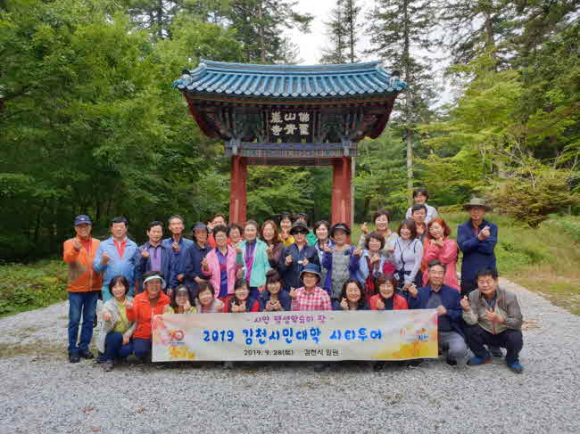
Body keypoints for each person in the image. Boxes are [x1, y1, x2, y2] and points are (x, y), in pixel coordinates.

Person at [461, 268, 524, 374]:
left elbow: (518, 322)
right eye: (481, 282)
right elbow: (472, 321)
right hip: (486, 331)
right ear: (477, 283)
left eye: (488, 281)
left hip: (504, 332)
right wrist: (467, 310)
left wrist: (500, 319)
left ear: (496, 281)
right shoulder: (473, 295)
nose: (485, 285)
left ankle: (512, 359)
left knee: (516, 336)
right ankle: (482, 356)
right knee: (467, 327)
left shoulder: (509, 296)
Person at [408, 260, 469, 367]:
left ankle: (449, 356)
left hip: (448, 332)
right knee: (407, 342)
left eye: (440, 273)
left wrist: (447, 312)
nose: (436, 275)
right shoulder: (420, 292)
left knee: (459, 350)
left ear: (444, 275)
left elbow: (460, 315)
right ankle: (424, 353)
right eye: (433, 272)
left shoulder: (453, 292)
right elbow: (412, 314)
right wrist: (413, 297)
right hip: (425, 333)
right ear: (428, 274)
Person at [63, 214, 103, 363]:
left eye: (86, 225)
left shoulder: (98, 243)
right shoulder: (69, 242)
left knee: (89, 319)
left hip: (93, 288)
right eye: (80, 226)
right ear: (76, 228)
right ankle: (72, 350)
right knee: (74, 320)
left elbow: (102, 262)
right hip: (76, 289)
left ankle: (84, 347)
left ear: (90, 227)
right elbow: (68, 259)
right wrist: (75, 249)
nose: (83, 228)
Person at [290, 264, 332, 372]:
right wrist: (294, 299)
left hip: (318, 331)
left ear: (317, 279)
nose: (308, 279)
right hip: (301, 330)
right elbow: (293, 315)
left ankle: (321, 359)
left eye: (312, 276)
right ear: (302, 278)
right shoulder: (297, 292)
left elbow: (329, 317)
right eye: (306, 276)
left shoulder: (323, 294)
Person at [125, 271, 171, 362]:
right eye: (151, 283)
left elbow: (169, 320)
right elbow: (131, 318)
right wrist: (129, 309)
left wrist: (167, 314)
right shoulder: (138, 298)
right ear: (145, 285)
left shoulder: (166, 299)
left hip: (159, 333)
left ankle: (152, 354)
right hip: (142, 333)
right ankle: (146, 353)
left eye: (157, 282)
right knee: (140, 351)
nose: (154, 285)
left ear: (161, 284)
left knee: (161, 352)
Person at [457, 198, 498, 297]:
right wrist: (480, 238)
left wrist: (471, 243)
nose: (475, 211)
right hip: (469, 272)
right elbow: (463, 247)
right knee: (467, 301)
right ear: (469, 211)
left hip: (487, 270)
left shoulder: (492, 227)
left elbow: (488, 248)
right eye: (472, 209)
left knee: (488, 301)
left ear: (484, 211)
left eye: (479, 209)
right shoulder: (462, 227)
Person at [94, 216, 139, 302]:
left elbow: (137, 268)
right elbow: (96, 269)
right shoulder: (103, 245)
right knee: (109, 310)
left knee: (128, 310)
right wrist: (103, 261)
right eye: (115, 227)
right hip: (109, 287)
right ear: (111, 229)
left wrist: (136, 286)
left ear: (126, 228)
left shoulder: (133, 246)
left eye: (121, 227)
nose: (118, 229)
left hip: (128, 287)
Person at [97, 275, 135, 372]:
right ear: (111, 289)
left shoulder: (132, 301)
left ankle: (107, 355)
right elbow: (105, 328)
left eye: (121, 286)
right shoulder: (108, 304)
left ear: (126, 287)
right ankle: (109, 359)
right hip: (111, 336)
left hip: (126, 336)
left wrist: (127, 335)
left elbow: (137, 321)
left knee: (126, 351)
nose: (118, 289)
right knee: (117, 336)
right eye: (115, 287)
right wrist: (106, 319)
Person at [201, 225, 245, 302]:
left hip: (231, 291)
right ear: (215, 238)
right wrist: (205, 267)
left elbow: (239, 270)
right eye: (218, 236)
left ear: (227, 237)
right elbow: (207, 274)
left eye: (222, 236)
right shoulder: (210, 255)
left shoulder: (234, 253)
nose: (220, 238)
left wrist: (240, 271)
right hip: (216, 292)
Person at [353, 231, 397, 302]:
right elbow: (359, 272)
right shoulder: (361, 254)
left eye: (377, 241)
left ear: (381, 243)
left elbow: (377, 276)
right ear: (367, 243)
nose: (375, 243)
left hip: (374, 289)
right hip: (360, 288)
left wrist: (377, 265)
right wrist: (369, 262)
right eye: (372, 241)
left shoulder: (382, 258)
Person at [321, 223, 359, 304]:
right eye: (336, 234)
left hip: (349, 289)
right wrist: (328, 254)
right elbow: (326, 265)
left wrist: (355, 257)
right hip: (332, 289)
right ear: (333, 237)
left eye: (342, 234)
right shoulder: (329, 249)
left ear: (347, 235)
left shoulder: (352, 249)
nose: (339, 236)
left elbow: (354, 268)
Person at [278, 221, 320, 291]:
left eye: (302, 232)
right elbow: (280, 270)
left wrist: (309, 265)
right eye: (296, 232)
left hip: (307, 289)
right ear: (292, 234)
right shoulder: (286, 249)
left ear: (306, 233)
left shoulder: (312, 250)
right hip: (289, 288)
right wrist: (286, 263)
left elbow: (318, 270)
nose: (299, 234)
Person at [134, 221, 174, 295]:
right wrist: (143, 259)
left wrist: (171, 286)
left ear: (162, 233)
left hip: (163, 287)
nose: (156, 234)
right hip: (146, 288)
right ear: (148, 233)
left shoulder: (168, 250)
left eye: (158, 232)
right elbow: (138, 271)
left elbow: (172, 269)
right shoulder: (140, 250)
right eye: (154, 231)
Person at [421, 218, 459, 290]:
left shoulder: (451, 243)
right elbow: (428, 260)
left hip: (447, 281)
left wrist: (438, 247)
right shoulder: (431, 243)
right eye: (431, 229)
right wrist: (436, 246)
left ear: (443, 228)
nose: (434, 231)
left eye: (436, 227)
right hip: (430, 281)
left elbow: (444, 259)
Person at [239, 220, 272, 301]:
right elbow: (239, 264)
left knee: (258, 306)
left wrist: (265, 283)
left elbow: (267, 265)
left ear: (256, 232)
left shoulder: (263, 245)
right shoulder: (241, 245)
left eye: (252, 230)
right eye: (247, 230)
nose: (250, 232)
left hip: (258, 284)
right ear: (244, 232)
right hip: (244, 284)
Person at [162, 215, 193, 290]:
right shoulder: (163, 244)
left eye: (179, 224)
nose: (176, 226)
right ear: (169, 227)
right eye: (173, 224)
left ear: (183, 226)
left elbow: (193, 263)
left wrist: (184, 274)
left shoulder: (190, 244)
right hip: (167, 282)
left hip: (186, 282)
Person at [393, 220, 424, 290]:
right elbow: (394, 260)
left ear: (412, 231)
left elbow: (418, 264)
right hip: (398, 274)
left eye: (408, 229)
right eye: (403, 228)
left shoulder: (417, 243)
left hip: (413, 275)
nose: (405, 231)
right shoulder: (396, 241)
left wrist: (409, 281)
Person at [184, 222, 210, 297]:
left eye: (203, 232)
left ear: (207, 234)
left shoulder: (210, 249)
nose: (201, 234)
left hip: (207, 285)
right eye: (198, 232)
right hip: (193, 284)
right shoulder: (190, 249)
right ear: (195, 235)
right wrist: (197, 278)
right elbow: (187, 268)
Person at [312, 220, 333, 285]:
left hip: (332, 283)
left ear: (328, 231)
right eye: (318, 229)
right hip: (317, 284)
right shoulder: (312, 248)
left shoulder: (335, 246)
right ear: (315, 232)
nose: (321, 232)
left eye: (323, 229)